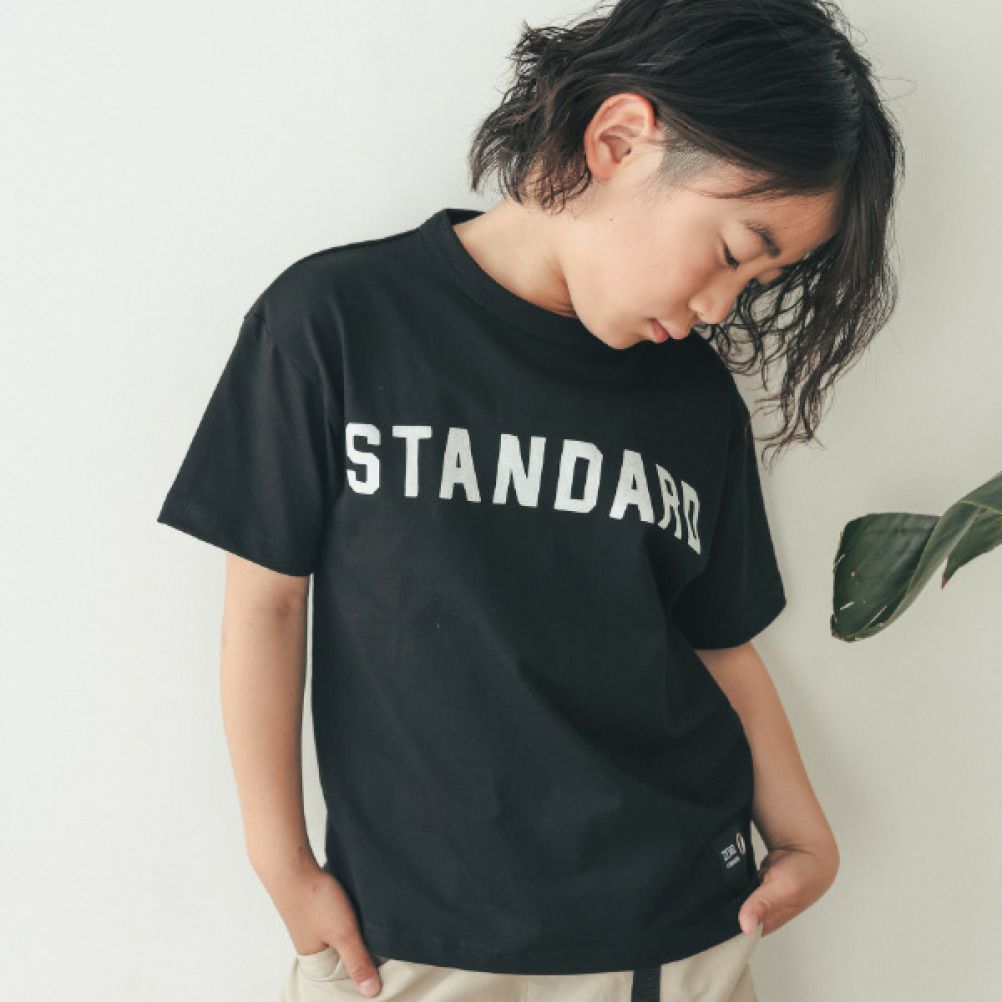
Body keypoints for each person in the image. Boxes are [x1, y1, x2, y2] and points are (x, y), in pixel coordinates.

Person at [155, 0, 904, 999]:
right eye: (734, 251)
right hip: (407, 943)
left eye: (763, 279)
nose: (722, 306)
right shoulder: (336, 324)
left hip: (672, 933)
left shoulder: (691, 399)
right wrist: (281, 864)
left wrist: (804, 832)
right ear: (619, 140)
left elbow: (718, 641)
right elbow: (266, 604)